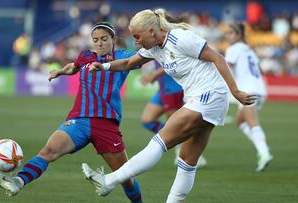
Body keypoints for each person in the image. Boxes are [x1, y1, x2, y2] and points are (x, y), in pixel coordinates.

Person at [81, 9, 256, 203]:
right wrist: (103, 66)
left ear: (151, 31)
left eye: (137, 36)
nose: (136, 41)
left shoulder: (180, 39)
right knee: (186, 162)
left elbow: (218, 58)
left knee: (159, 142)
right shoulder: (154, 47)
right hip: (202, 99)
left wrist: (235, 91)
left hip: (209, 95)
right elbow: (129, 62)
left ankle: (109, 181)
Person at [0, 22, 143, 203]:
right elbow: (73, 67)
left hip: (106, 124)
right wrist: (60, 72)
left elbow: (142, 57)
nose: (99, 43)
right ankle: (17, 182)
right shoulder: (86, 56)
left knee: (126, 179)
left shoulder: (122, 57)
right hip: (79, 120)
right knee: (48, 151)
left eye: (104, 39)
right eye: (95, 40)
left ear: (113, 40)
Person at [224, 22, 273, 172]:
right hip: (259, 89)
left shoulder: (233, 49)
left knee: (253, 124)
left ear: (239, 35)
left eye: (231, 32)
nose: (227, 35)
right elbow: (260, 70)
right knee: (240, 122)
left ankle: (264, 152)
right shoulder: (249, 50)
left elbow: (226, 68)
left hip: (248, 91)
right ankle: (262, 145)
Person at [140, 61, 207, 167]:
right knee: (147, 120)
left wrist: (154, 75)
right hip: (163, 88)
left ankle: (190, 154)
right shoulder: (152, 48)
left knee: (177, 125)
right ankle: (177, 142)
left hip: (173, 88)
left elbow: (171, 63)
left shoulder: (165, 45)